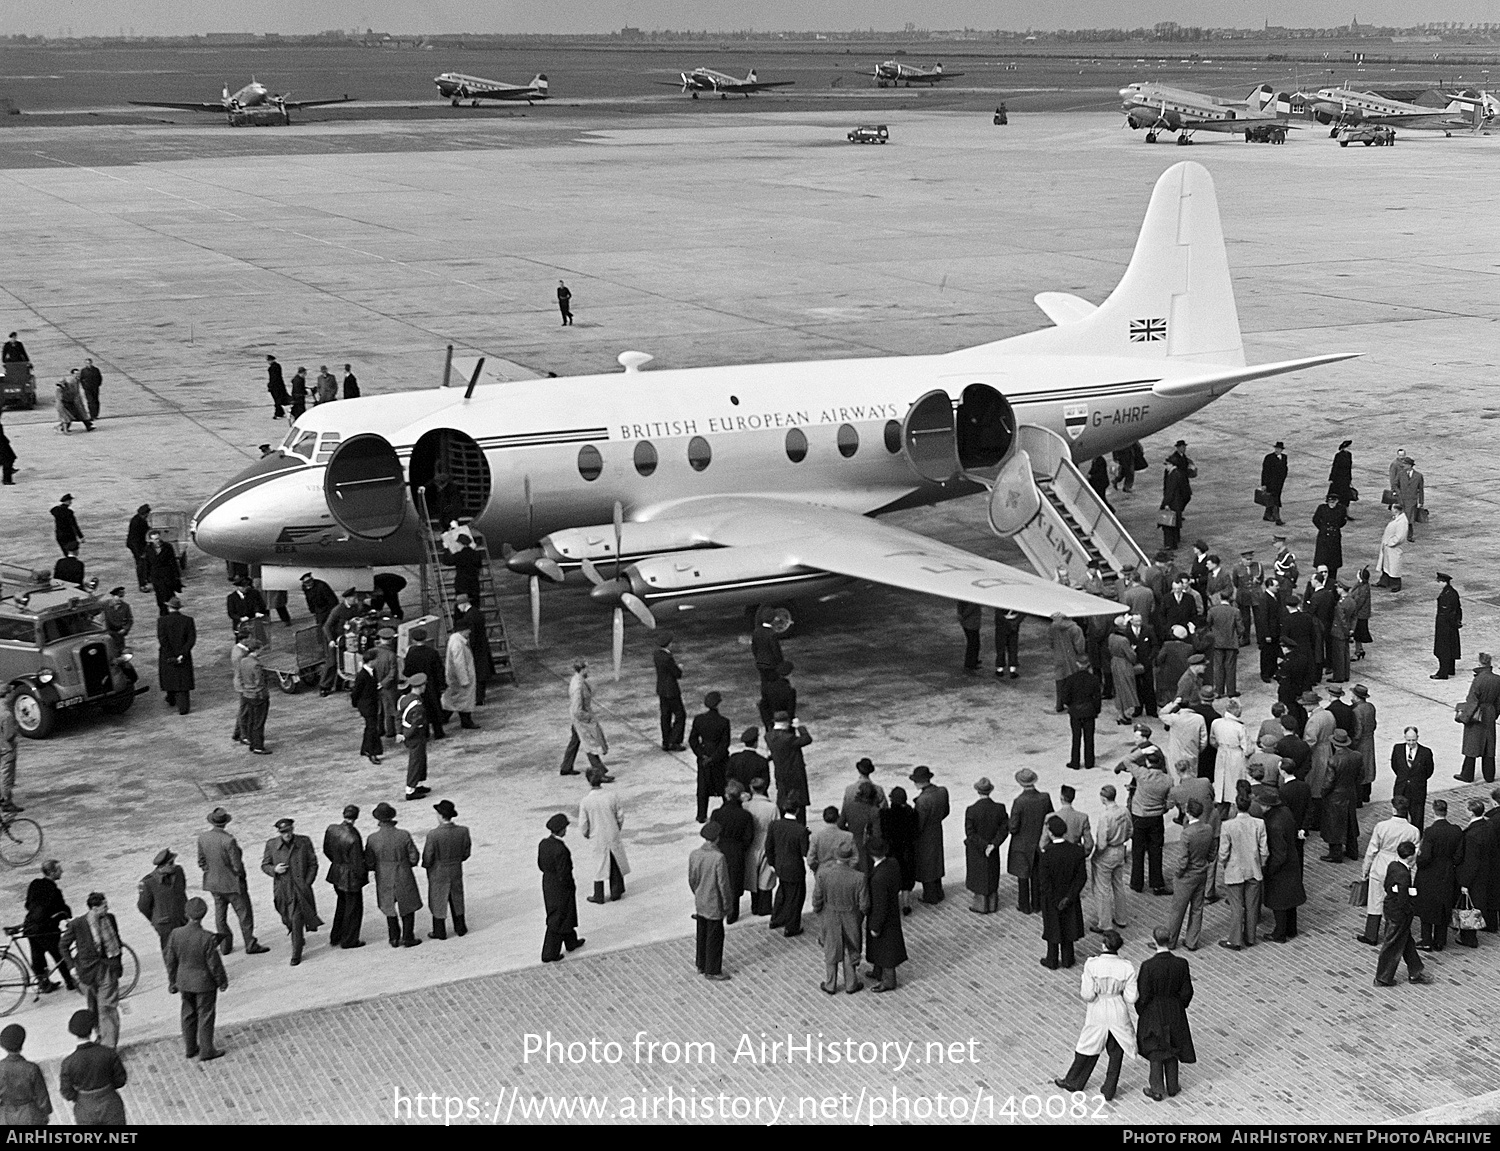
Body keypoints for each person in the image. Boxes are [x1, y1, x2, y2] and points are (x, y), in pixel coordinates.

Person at [1053, 929, 1138, 1101]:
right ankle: (1109, 1088)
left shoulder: (1092, 964)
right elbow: (1131, 997)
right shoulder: (1127, 967)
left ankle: (1074, 1081)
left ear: (1104, 945)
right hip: (1117, 1009)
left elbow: (1088, 994)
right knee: (1117, 1050)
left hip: (1098, 1009)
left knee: (1088, 1046)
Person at [163, 897, 228, 1061]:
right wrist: (222, 981)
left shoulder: (176, 933)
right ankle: (207, 1050)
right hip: (204, 983)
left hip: (184, 981)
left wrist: (172, 981)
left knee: (188, 1014)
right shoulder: (206, 937)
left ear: (187, 913)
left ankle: (190, 1047)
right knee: (205, 1015)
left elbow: (170, 960)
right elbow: (214, 964)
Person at [1136, 925, 1196, 1101]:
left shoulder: (1148, 966)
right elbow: (1187, 991)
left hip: (1154, 1009)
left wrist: (1142, 1010)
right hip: (1174, 1007)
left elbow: (1144, 993)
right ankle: (1172, 1085)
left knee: (1156, 1046)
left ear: (1154, 941)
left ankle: (1156, 1088)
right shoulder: (1181, 963)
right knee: (1173, 1046)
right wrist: (1179, 1005)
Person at [196, 807, 266, 956]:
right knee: (244, 915)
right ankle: (250, 944)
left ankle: (225, 946)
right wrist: (240, 876)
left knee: (220, 916)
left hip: (214, 884)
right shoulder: (228, 840)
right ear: (225, 823)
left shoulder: (203, 837)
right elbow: (237, 865)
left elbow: (201, 861)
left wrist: (212, 872)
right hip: (232, 885)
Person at [61, 894, 123, 1049]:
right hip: (87, 972)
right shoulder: (78, 924)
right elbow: (63, 946)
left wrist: (117, 965)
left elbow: (118, 942)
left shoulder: (110, 919)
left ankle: (109, 1047)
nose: (107, 908)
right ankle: (100, 1035)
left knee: (107, 1007)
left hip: (107, 968)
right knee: (93, 1007)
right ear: (94, 908)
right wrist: (71, 967)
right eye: (104, 905)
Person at [1357, 796, 1421, 945]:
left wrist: (1365, 869)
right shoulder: (1413, 831)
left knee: (1375, 901)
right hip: (1400, 867)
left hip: (1381, 865)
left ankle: (1371, 934)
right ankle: (1389, 934)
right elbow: (1414, 855)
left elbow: (1372, 850)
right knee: (1394, 902)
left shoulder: (1382, 826)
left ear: (1393, 809)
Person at [261, 817, 322, 967]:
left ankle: (296, 953)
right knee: (286, 917)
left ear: (293, 829)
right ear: (279, 833)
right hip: (282, 889)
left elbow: (313, 863)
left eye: (289, 831)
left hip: (300, 888)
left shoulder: (304, 842)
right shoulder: (271, 845)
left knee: (296, 918)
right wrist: (274, 869)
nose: (287, 834)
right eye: (283, 832)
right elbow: (265, 865)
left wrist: (307, 883)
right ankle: (295, 932)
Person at [812, 841, 868, 994]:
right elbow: (864, 903)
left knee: (831, 948)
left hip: (830, 914)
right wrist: (860, 915)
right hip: (850, 915)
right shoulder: (859, 877)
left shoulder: (823, 875)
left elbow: (817, 898)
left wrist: (819, 913)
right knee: (851, 947)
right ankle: (851, 983)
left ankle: (830, 984)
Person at [365, 803, 423, 948]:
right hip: (402, 872)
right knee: (408, 905)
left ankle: (394, 937)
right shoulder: (403, 835)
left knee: (388, 906)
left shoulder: (372, 838)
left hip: (384, 875)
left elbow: (369, 862)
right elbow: (414, 857)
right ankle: (408, 936)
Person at [1374, 841, 1432, 986]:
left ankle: (1415, 971)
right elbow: (1403, 899)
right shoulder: (1404, 874)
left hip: (1390, 908)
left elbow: (1388, 885)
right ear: (1411, 857)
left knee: (1406, 941)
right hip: (1399, 913)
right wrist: (1408, 908)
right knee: (1392, 943)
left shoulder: (1393, 865)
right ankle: (1382, 977)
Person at [59, 1010, 127, 1125]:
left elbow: (66, 1092)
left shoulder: (68, 1063)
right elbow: (120, 1080)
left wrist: (80, 1097)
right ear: (93, 1030)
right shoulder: (108, 1054)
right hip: (110, 1102)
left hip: (85, 1107)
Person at [1118, 749, 1172, 895]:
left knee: (1138, 849)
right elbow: (1170, 799)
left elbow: (1127, 760)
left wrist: (1142, 750)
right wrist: (1163, 808)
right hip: (1156, 817)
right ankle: (1157, 884)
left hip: (1139, 816)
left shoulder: (1142, 774)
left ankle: (1137, 882)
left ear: (1148, 763)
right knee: (1156, 850)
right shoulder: (1167, 779)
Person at [1218, 793, 1267, 951]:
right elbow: (1264, 850)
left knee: (1237, 906)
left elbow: (1224, 851)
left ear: (1235, 806)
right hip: (1253, 869)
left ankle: (1235, 940)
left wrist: (1224, 864)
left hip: (1235, 869)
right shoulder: (1259, 823)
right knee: (1252, 905)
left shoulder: (1228, 825)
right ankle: (1250, 937)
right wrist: (1261, 864)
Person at [1038, 815, 1088, 969]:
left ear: (1051, 833)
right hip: (1070, 897)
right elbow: (1081, 877)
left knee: (1053, 926)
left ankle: (1052, 959)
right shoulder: (1076, 851)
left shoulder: (1047, 854)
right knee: (1069, 925)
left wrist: (1054, 899)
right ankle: (1068, 958)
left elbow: (1044, 881)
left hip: (1052, 898)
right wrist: (1069, 897)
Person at [1415, 799, 1462, 952]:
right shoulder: (1456, 830)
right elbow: (1458, 855)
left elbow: (1425, 856)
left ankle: (1427, 939)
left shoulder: (1430, 831)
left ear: (1434, 811)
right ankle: (1440, 940)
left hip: (1430, 873)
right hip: (1447, 871)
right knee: (1444, 905)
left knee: (1427, 905)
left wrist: (1419, 862)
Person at [1259, 789, 1305, 942]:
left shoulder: (1273, 824)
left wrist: (1269, 870)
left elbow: (1279, 852)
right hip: (1293, 861)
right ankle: (1292, 929)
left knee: (1279, 901)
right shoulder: (1285, 812)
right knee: (1291, 900)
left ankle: (1279, 933)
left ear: (1267, 806)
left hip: (1281, 867)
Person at [688, 822, 733, 980]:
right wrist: (728, 905)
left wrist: (698, 893)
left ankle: (701, 963)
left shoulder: (694, 854)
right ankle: (712, 970)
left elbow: (692, 879)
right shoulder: (718, 858)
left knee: (702, 933)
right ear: (717, 838)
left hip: (700, 901)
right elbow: (723, 885)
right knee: (715, 937)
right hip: (714, 904)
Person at [422, 799, 471, 939]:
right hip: (455, 868)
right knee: (457, 897)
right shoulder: (463, 831)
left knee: (438, 899)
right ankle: (460, 927)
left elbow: (428, 856)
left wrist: (427, 866)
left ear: (440, 815)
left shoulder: (433, 834)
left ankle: (440, 931)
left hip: (438, 870)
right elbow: (466, 853)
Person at [538, 813, 585, 962]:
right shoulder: (561, 849)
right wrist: (570, 887)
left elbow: (540, 865)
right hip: (561, 887)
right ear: (561, 830)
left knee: (566, 914)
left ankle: (571, 941)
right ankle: (549, 953)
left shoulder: (544, 844)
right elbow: (564, 873)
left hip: (548, 882)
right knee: (559, 916)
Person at [23, 860, 74, 993]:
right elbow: (61, 909)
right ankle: (70, 982)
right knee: (60, 953)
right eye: (59, 869)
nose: (61, 871)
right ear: (52, 872)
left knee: (37, 955)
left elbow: (27, 905)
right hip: (45, 928)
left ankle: (44, 983)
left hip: (30, 926)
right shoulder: (54, 891)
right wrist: (66, 915)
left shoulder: (35, 884)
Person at [578, 768, 628, 905]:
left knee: (599, 864)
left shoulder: (586, 801)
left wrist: (586, 833)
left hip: (597, 835)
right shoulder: (611, 796)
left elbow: (583, 823)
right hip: (611, 831)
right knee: (614, 859)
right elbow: (620, 815)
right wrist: (617, 828)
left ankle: (598, 894)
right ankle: (616, 891)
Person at [865, 838, 908, 993]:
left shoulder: (878, 878)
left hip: (882, 916)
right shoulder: (892, 863)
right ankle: (878, 970)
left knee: (885, 948)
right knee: (880, 947)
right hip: (892, 911)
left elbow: (880, 905)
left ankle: (888, 980)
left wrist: (875, 925)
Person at [1008, 768, 1054, 914]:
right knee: (1036, 874)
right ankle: (1037, 903)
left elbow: (1013, 827)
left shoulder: (1019, 801)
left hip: (1022, 843)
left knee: (1023, 876)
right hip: (1040, 841)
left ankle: (1024, 905)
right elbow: (1051, 817)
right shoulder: (1045, 798)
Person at [322, 805, 368, 949]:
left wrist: (337, 862)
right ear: (356, 817)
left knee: (341, 905)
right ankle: (349, 940)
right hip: (350, 877)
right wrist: (362, 876)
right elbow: (357, 862)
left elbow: (326, 850)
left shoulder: (332, 829)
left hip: (336, 871)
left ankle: (336, 936)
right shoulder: (353, 837)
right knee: (353, 909)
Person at [710, 782, 755, 923]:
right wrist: (741, 848)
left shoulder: (717, 814)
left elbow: (712, 832)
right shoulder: (745, 816)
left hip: (720, 849)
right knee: (734, 882)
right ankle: (732, 913)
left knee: (718, 879)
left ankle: (719, 908)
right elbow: (749, 837)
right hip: (736, 850)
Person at [765, 799, 811, 936]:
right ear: (797, 810)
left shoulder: (774, 825)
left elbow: (769, 846)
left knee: (782, 892)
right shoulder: (801, 830)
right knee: (795, 897)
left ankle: (777, 919)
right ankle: (791, 926)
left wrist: (772, 863)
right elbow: (805, 852)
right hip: (794, 867)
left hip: (779, 864)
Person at [964, 777, 1009, 914]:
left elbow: (970, 833)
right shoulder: (999, 808)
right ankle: (992, 903)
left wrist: (985, 845)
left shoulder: (971, 810)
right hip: (993, 848)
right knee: (992, 873)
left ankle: (981, 904)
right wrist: (993, 844)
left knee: (978, 875)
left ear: (977, 791)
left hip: (977, 848)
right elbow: (1004, 828)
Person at [1090, 784, 1131, 932]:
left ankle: (1105, 924)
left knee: (1103, 889)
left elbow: (1101, 843)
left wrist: (1096, 855)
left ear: (1103, 798)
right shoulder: (1124, 811)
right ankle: (1121, 918)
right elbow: (1130, 830)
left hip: (1107, 852)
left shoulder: (1105, 816)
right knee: (1118, 884)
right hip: (1120, 849)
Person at [1320, 729, 1362, 863]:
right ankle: (1353, 851)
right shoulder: (1357, 756)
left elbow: (1328, 782)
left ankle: (1335, 854)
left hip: (1335, 797)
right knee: (1350, 822)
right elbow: (1361, 776)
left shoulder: (1333, 760)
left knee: (1334, 826)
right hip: (1350, 793)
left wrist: (1323, 794)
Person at [1457, 652, 1500, 783]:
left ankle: (1467, 775)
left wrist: (1464, 717)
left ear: (1480, 663)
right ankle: (1489, 775)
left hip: (1477, 714)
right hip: (1490, 713)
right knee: (1489, 746)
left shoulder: (1478, 679)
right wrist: (1494, 714)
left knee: (1472, 746)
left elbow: (1472, 701)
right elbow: (1499, 701)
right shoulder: (1497, 679)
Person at [559, 660, 607, 777]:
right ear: (583, 669)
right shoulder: (578, 686)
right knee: (590, 743)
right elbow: (577, 709)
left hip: (578, 716)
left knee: (575, 740)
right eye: (587, 668)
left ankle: (566, 766)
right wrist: (588, 718)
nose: (589, 671)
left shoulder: (577, 680)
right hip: (581, 718)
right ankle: (599, 770)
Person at [136, 848, 188, 954]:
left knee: (188, 947)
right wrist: (156, 918)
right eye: (171, 863)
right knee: (170, 952)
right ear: (162, 867)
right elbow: (143, 906)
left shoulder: (178, 871)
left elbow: (182, 891)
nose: (174, 865)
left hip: (182, 918)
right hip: (165, 924)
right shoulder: (148, 883)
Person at [688, 691, 730, 823]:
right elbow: (725, 744)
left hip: (704, 756)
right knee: (723, 785)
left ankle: (701, 814)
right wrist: (714, 758)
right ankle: (728, 809)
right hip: (719, 758)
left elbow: (693, 740)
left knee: (702, 787)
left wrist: (702, 755)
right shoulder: (724, 722)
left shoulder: (699, 719)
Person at [910, 765, 950, 904]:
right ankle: (938, 891)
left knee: (926, 864)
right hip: (936, 830)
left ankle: (930, 895)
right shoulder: (942, 791)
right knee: (936, 860)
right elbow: (946, 812)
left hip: (925, 835)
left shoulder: (922, 801)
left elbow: (918, 824)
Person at [765, 712, 811, 823]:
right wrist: (799, 726)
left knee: (782, 803)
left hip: (780, 775)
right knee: (799, 807)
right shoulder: (789, 739)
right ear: (786, 723)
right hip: (795, 776)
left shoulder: (768, 736)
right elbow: (807, 739)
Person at [0, 1024, 51, 1123]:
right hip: (29, 1114)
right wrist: (45, 1114)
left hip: (6, 1115)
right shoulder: (31, 1068)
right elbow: (42, 1096)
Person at [1060, 656, 1102, 770]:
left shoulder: (1070, 679)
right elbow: (1097, 697)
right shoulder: (1094, 679)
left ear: (1077, 665)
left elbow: (1065, 697)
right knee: (1089, 738)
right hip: (1089, 711)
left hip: (1075, 712)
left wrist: (1071, 706)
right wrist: (1096, 710)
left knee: (1076, 737)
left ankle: (1075, 762)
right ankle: (1089, 762)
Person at [157, 596, 196, 714]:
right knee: (183, 680)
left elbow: (163, 639)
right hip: (183, 655)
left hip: (167, 654)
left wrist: (170, 655)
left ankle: (171, 698)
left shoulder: (162, 621)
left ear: (169, 607)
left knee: (169, 677)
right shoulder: (188, 620)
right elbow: (191, 639)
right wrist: (182, 654)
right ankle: (183, 707)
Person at [745, 777, 778, 917]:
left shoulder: (746, 806)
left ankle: (755, 905)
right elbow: (776, 827)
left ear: (751, 788)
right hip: (766, 841)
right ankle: (764, 907)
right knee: (766, 877)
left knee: (753, 874)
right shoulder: (772, 807)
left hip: (751, 842)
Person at [396, 673, 431, 801]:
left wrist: (400, 732)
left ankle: (418, 784)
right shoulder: (417, 705)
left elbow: (398, 716)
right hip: (416, 736)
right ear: (421, 687)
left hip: (408, 733)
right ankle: (410, 789)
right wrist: (405, 736)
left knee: (420, 759)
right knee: (416, 762)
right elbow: (417, 724)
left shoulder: (404, 699)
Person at [237, 636, 270, 754]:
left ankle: (252, 742)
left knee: (251, 720)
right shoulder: (256, 664)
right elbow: (259, 682)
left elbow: (240, 677)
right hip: (258, 695)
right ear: (256, 650)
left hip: (247, 694)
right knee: (259, 722)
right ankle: (258, 746)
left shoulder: (243, 661)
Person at [441, 624, 478, 730]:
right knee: (463, 701)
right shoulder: (458, 644)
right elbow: (459, 663)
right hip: (460, 678)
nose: (469, 633)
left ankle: (444, 718)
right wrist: (464, 680)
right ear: (463, 630)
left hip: (455, 677)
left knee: (453, 700)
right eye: (468, 630)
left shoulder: (455, 640)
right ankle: (466, 721)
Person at [351, 649, 384, 764]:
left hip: (372, 704)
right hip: (366, 705)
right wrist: (356, 703)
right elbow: (356, 692)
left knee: (370, 727)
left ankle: (365, 749)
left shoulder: (372, 672)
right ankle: (372, 752)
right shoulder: (362, 675)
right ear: (371, 661)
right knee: (372, 728)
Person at [1049, 612, 1087, 712]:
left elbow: (1051, 642)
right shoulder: (1075, 629)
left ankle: (1059, 704)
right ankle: (1072, 704)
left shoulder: (1053, 626)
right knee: (1073, 681)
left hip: (1058, 656)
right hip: (1072, 658)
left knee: (1060, 680)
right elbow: (1080, 647)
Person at [143, 530, 183, 615]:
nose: (156, 541)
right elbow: (147, 564)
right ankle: (163, 613)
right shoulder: (148, 549)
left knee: (169, 594)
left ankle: (172, 611)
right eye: (154, 539)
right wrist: (147, 578)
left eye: (157, 538)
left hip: (167, 575)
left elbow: (173, 562)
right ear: (150, 540)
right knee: (159, 596)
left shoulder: (167, 547)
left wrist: (177, 576)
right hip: (156, 576)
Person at [1431, 572, 1462, 679]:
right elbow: (1458, 609)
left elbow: (1447, 612)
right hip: (1452, 626)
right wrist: (1457, 622)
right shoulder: (1453, 592)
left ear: (1443, 582)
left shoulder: (1446, 595)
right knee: (1451, 647)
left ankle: (1443, 672)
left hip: (1445, 626)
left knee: (1442, 649)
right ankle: (1450, 669)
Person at [1108, 623, 1140, 723]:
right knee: (1127, 688)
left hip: (1114, 662)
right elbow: (1131, 656)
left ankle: (1120, 714)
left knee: (1119, 688)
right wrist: (1133, 651)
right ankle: (1125, 714)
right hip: (1124, 664)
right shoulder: (1124, 640)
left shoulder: (1111, 636)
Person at [1312, 494, 1347, 586]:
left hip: (1334, 538)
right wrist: (1323, 528)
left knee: (1333, 563)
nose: (1332, 504)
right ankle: (1320, 581)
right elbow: (1315, 519)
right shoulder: (1322, 508)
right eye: (1330, 502)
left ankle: (1331, 583)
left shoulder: (1341, 509)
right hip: (1323, 539)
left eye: (1334, 502)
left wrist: (1335, 528)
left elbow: (1343, 521)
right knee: (1322, 562)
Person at [1376, 505, 1408, 593]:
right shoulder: (1396, 518)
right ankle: (1384, 582)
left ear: (1396, 510)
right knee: (1386, 565)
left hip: (1394, 548)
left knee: (1394, 566)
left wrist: (1390, 543)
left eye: (1392, 509)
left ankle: (1395, 584)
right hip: (1388, 547)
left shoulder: (1402, 521)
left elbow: (1400, 537)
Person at [726, 727, 769, 793]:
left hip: (738, 795)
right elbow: (765, 782)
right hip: (756, 795)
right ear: (756, 743)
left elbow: (729, 778)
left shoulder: (734, 758)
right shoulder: (761, 761)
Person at [1394, 456, 1424, 541]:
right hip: (1401, 499)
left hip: (1412, 500)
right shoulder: (1400, 474)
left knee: (1410, 519)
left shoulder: (1418, 476)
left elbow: (1421, 489)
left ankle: (1409, 536)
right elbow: (1395, 484)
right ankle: (1399, 535)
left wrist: (1421, 501)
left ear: (1410, 465)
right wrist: (1398, 492)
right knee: (1399, 518)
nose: (1403, 465)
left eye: (1405, 464)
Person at [1259, 441, 1288, 525]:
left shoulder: (1284, 457)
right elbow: (1264, 472)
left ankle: (1267, 515)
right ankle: (1277, 518)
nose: (1277, 450)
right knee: (1275, 500)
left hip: (1279, 483)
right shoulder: (1269, 457)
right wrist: (1264, 484)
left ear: (1282, 450)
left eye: (1279, 449)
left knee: (1272, 499)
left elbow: (1285, 469)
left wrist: (1283, 478)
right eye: (1276, 448)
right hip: (1270, 483)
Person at [957, 600, 982, 672]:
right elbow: (971, 607)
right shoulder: (973, 600)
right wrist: (963, 615)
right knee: (973, 643)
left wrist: (960, 615)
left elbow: (960, 604)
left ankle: (972, 661)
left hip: (968, 623)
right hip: (971, 623)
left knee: (973, 643)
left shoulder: (962, 598)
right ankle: (971, 663)